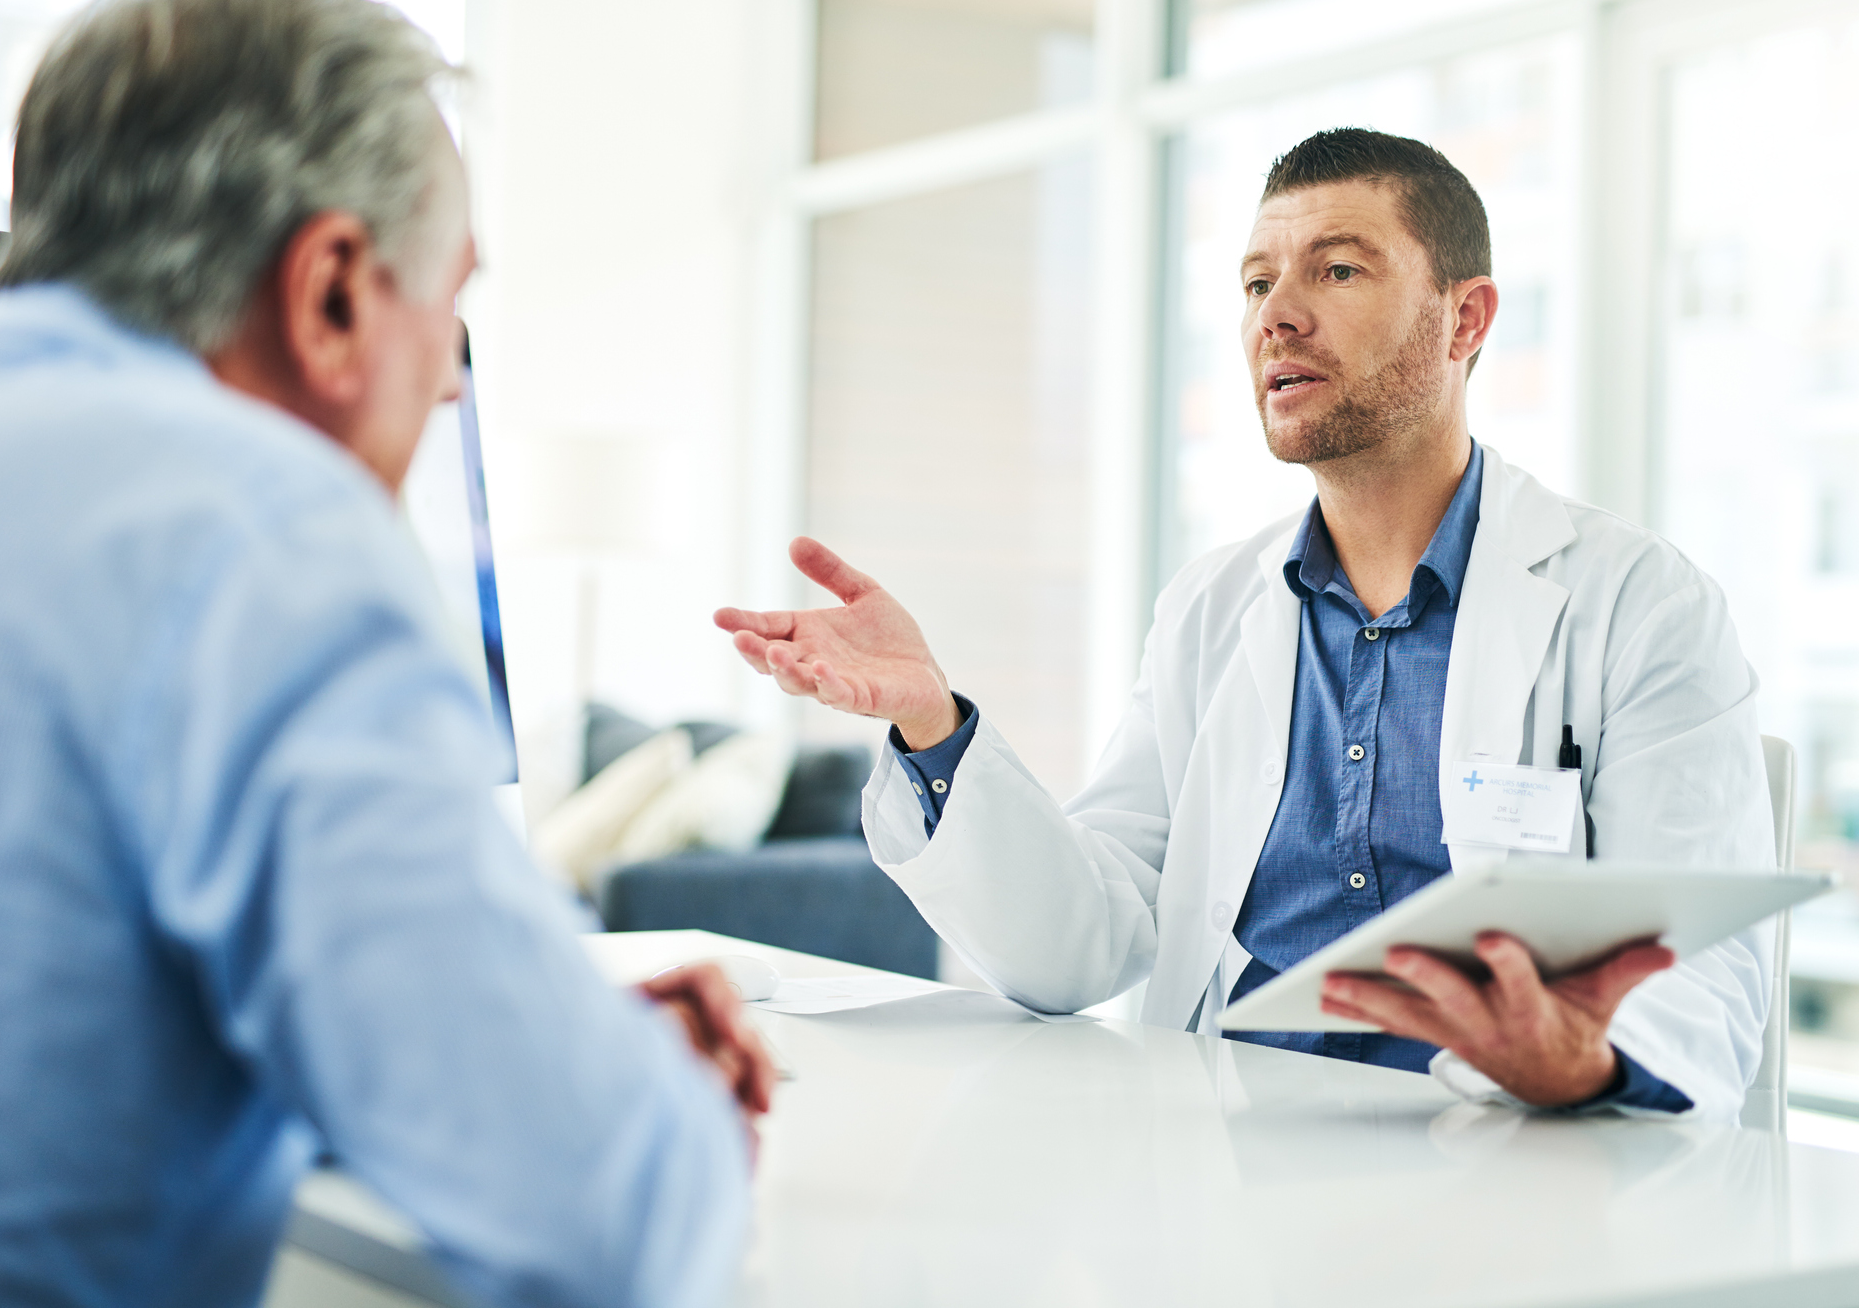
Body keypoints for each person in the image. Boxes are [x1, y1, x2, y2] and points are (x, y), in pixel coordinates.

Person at [0, 0, 767, 1308]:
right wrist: (623, 1095)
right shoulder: (262, 535)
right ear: (329, 294)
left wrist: (494, 1030)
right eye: (453, 303)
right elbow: (603, 1221)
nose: (446, 381)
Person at [717, 128, 1775, 1121]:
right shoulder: (1210, 610)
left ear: (1466, 319)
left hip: (1507, 1158)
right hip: (1220, 1158)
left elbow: (1705, 982)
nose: (1277, 314)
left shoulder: (1638, 605)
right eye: (1257, 282)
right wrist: (930, 722)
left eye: (1337, 269)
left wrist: (1580, 1058)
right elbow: (1084, 942)